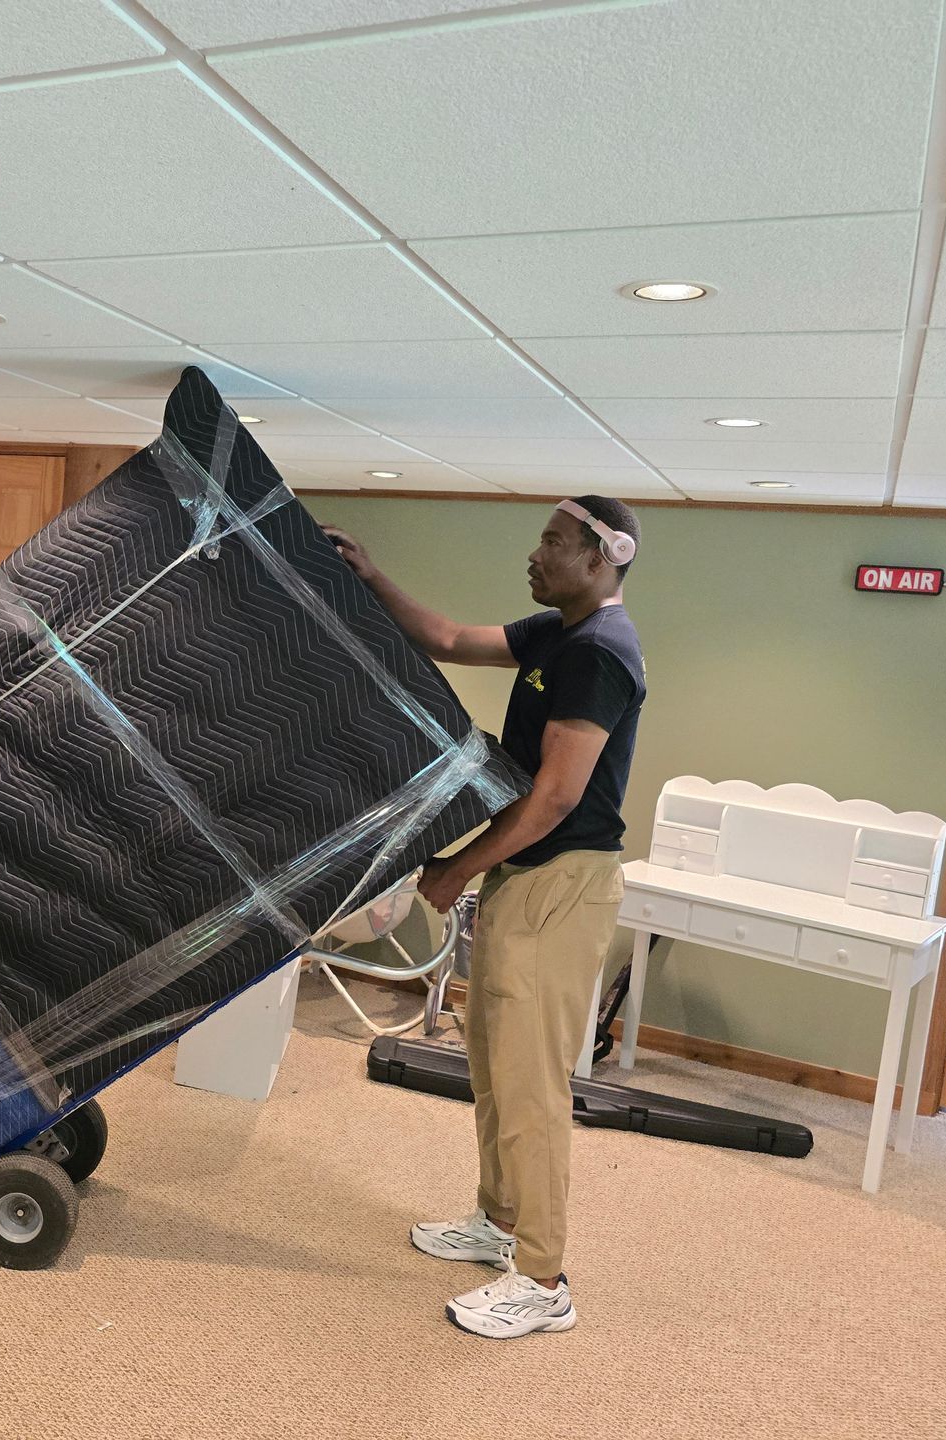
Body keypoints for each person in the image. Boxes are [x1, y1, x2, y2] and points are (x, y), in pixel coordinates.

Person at [324, 496, 646, 1339]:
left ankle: (542, 1279)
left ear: (603, 557)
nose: (533, 555)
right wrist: (371, 576)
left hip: (562, 883)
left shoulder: (600, 654)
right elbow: (450, 640)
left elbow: (556, 795)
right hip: (526, 878)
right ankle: (497, 1223)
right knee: (495, 1063)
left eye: (551, 543)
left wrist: (459, 867)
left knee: (533, 1084)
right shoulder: (554, 634)